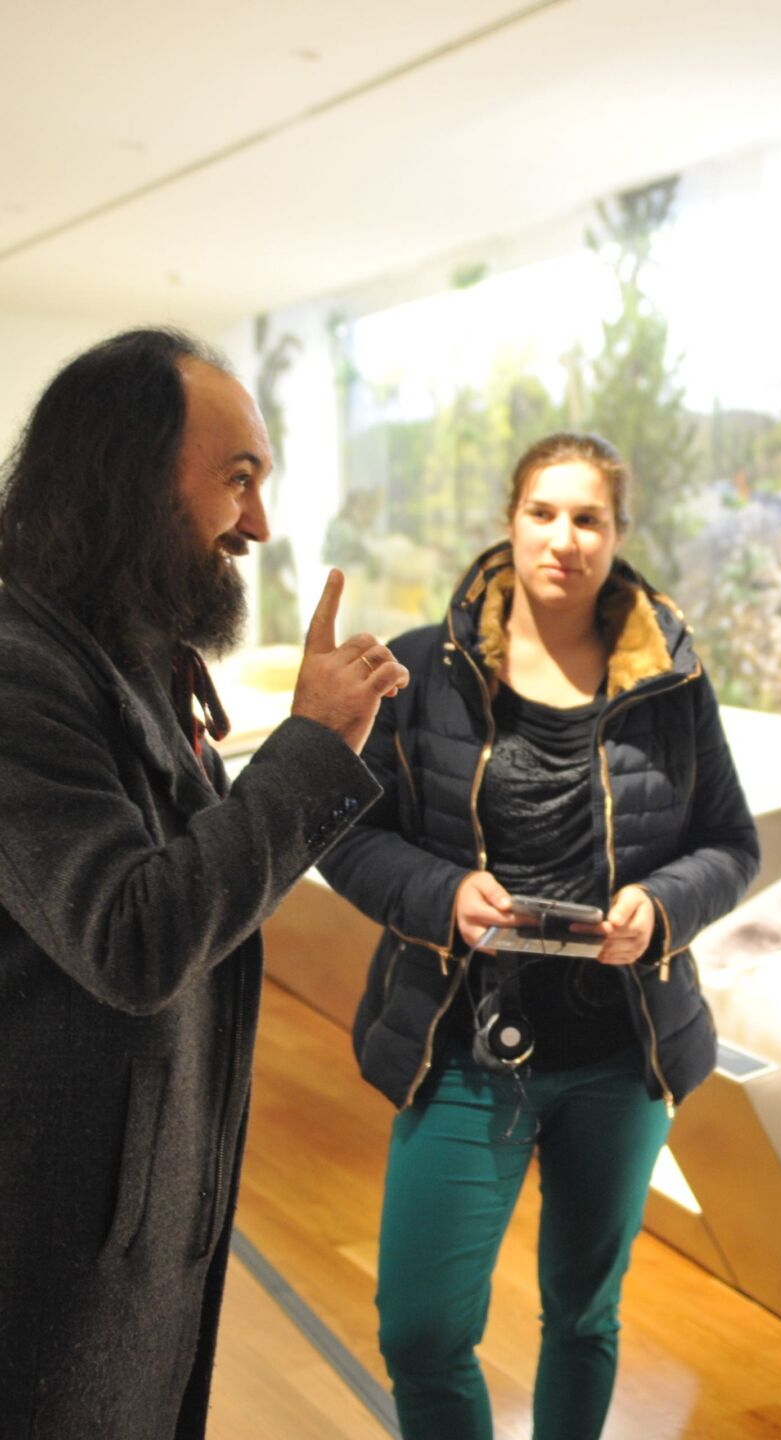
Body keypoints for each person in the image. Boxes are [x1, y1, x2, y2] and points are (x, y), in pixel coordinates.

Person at [0, 328, 408, 1440]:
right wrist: (313, 744)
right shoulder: (20, 672)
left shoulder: (118, 657)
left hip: (123, 1233)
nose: (259, 525)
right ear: (130, 477)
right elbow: (134, 937)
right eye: (238, 479)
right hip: (45, 1262)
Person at [318, 431, 759, 1440]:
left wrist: (661, 908)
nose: (565, 538)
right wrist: (440, 893)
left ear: (618, 533)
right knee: (422, 1332)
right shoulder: (423, 668)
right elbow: (348, 834)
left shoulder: (672, 679)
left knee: (584, 1315)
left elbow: (732, 844)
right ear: (510, 523)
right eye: (544, 513)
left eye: (588, 518)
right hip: (461, 1044)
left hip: (620, 1052)